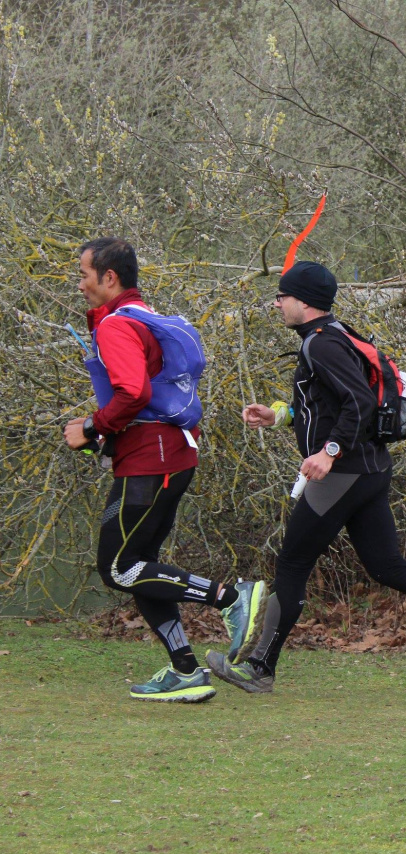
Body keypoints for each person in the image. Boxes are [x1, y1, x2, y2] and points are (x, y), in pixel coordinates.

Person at [206, 261, 406, 693]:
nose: (277, 304)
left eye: (282, 296)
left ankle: (259, 668)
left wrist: (328, 453)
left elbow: (359, 402)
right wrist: (278, 416)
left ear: (304, 301)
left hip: (343, 475)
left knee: (292, 565)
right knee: (387, 566)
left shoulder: (320, 345)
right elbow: (328, 406)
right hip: (370, 469)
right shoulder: (335, 334)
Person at [62, 237, 267, 703]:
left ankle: (232, 598)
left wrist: (92, 426)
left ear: (108, 277)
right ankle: (186, 670)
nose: (80, 285)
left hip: (150, 461)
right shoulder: (144, 315)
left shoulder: (116, 325)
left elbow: (133, 393)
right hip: (168, 453)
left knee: (118, 568)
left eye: (83, 275)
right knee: (139, 566)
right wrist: (104, 433)